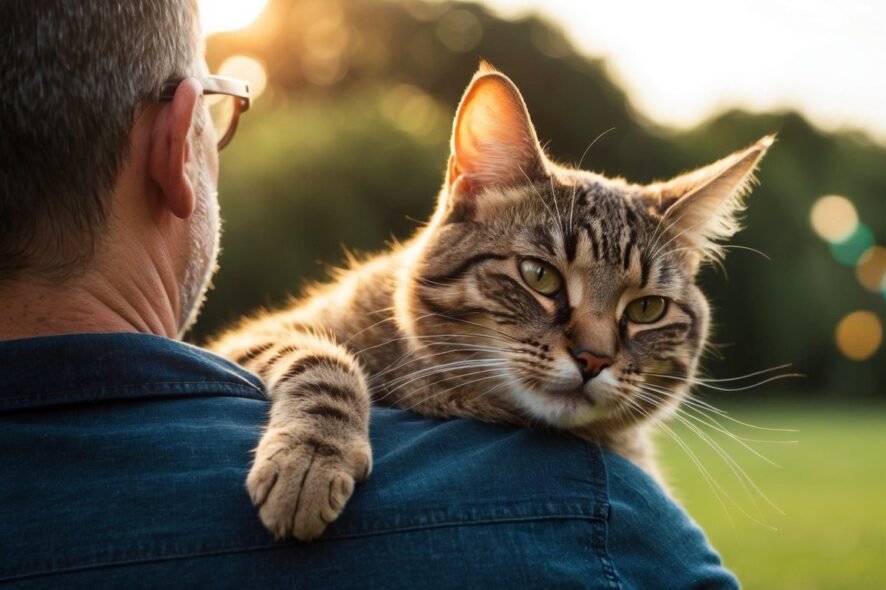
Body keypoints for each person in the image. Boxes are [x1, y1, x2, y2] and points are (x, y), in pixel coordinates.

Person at [0, 1, 739, 588]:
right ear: (176, 149)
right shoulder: (611, 531)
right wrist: (325, 399)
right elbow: (246, 356)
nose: (595, 351)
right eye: (542, 279)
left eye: (644, 310)